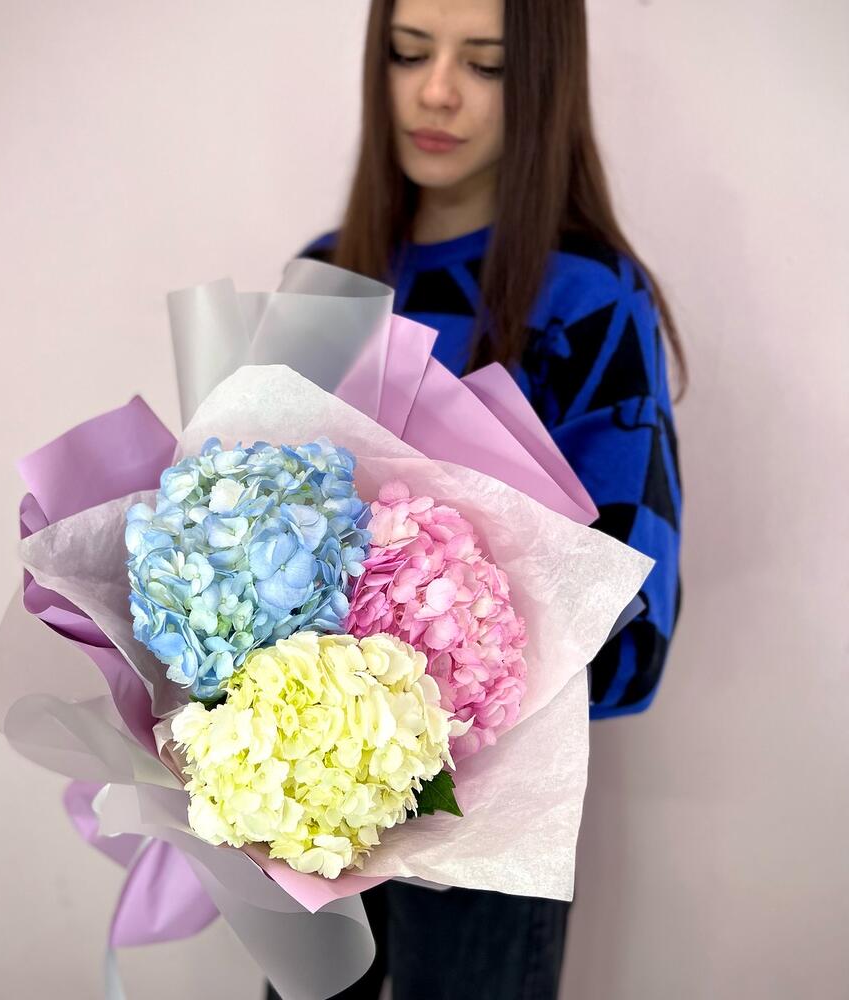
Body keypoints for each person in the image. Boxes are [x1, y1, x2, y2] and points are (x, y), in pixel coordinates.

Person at [270, 1, 684, 997]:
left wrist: (438, 687)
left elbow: (631, 608)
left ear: (541, 78)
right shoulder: (329, 277)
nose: (437, 90)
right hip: (306, 800)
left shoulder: (587, 297)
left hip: (485, 818)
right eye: (408, 51)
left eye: (485, 63)